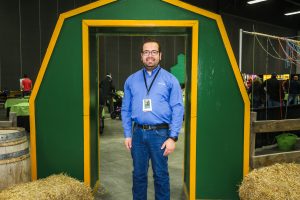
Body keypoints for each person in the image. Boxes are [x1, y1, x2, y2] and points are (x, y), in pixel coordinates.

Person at [121, 38, 184, 200]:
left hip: (161, 135)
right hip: (138, 134)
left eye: (154, 52)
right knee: (139, 175)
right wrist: (128, 134)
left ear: (160, 55)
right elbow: (126, 109)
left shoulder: (170, 80)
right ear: (141, 56)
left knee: (161, 176)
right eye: (146, 52)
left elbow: (178, 108)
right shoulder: (131, 80)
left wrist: (173, 137)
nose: (150, 55)